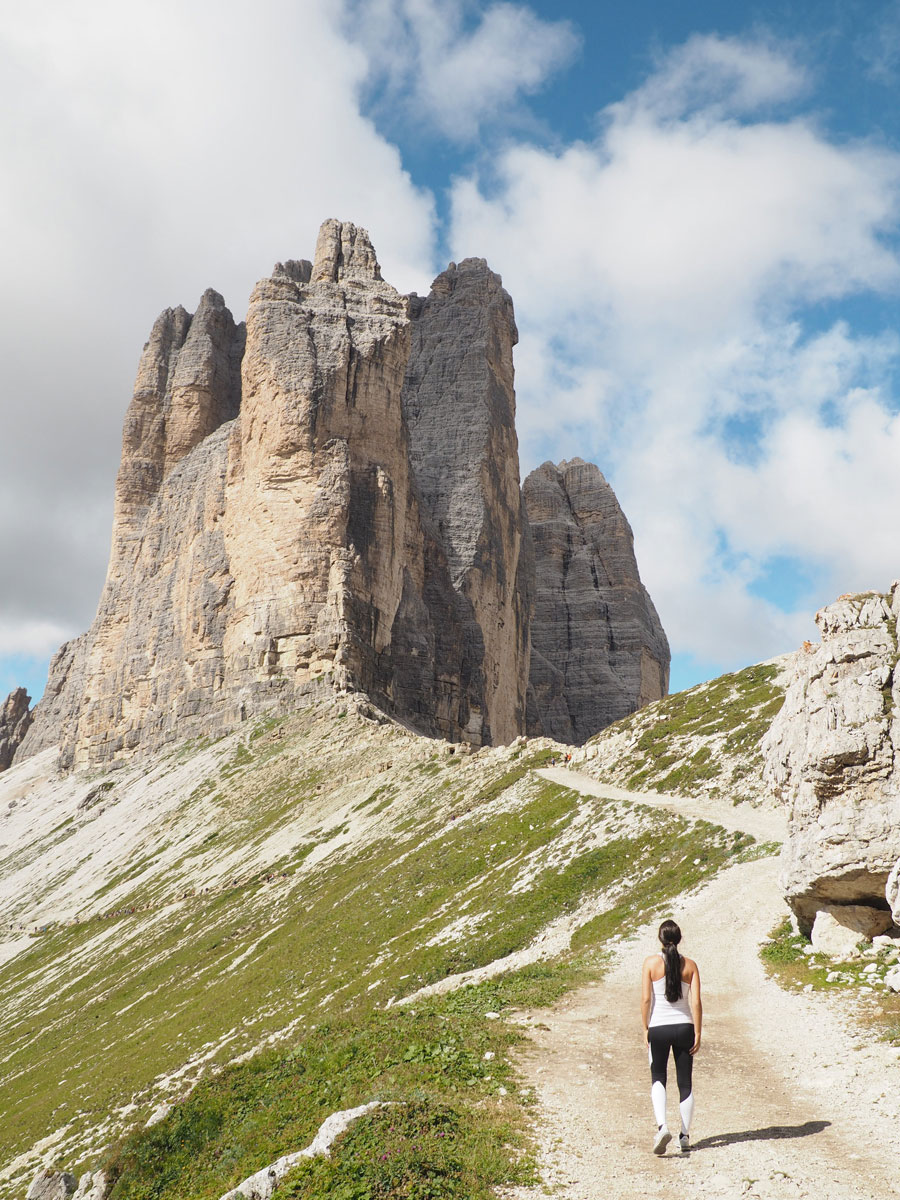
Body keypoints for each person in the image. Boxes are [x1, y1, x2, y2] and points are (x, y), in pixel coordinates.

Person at [640, 918, 702, 1155]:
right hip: (685, 1027)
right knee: (685, 1082)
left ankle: (662, 1126)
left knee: (658, 1077)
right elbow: (695, 1001)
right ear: (679, 939)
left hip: (659, 1027)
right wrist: (698, 1030)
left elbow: (646, 999)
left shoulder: (650, 963)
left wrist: (645, 1026)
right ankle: (685, 1135)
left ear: (660, 939)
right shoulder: (691, 966)